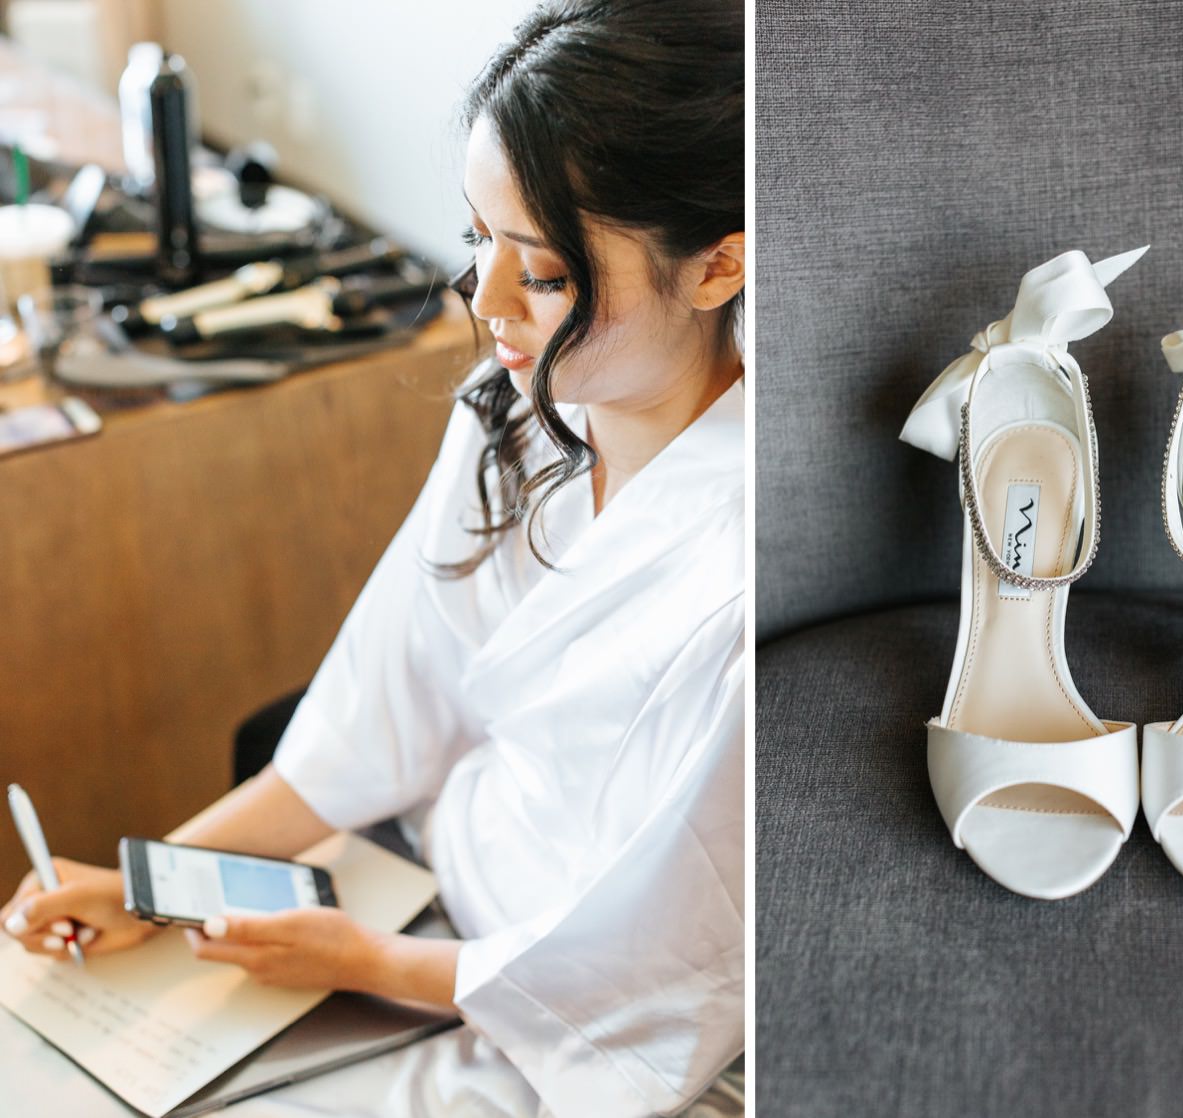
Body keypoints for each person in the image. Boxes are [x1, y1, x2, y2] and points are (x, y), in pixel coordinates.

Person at [0, 2, 746, 1115]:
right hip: (440, 870)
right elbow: (380, 703)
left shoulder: (746, 564)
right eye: (475, 239)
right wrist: (150, 876)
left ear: (717, 267)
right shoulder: (518, 406)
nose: (482, 299)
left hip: (564, 1001)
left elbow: (671, 963)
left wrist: (364, 961)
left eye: (539, 272)